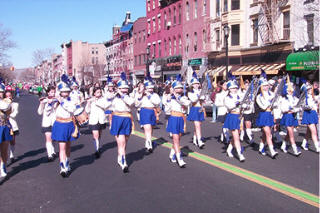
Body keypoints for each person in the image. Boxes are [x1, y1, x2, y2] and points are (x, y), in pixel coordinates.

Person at [51, 75, 80, 177]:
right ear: (60, 92)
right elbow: (48, 110)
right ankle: (62, 167)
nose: (65, 93)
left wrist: (63, 101)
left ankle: (67, 162)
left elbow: (72, 109)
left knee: (68, 146)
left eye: (67, 91)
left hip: (69, 124)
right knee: (62, 147)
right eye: (63, 92)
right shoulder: (56, 102)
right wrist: (51, 101)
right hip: (60, 124)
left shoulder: (71, 101)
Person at [110, 73, 135, 172]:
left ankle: (120, 156)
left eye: (126, 88)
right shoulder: (113, 97)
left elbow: (131, 103)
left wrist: (123, 96)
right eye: (122, 88)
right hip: (117, 119)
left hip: (127, 119)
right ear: (118, 88)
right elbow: (107, 105)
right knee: (121, 142)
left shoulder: (129, 97)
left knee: (125, 142)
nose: (124, 90)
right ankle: (124, 163)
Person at [167, 75, 191, 168]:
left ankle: (172, 153)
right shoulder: (169, 98)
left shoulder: (183, 97)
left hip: (181, 119)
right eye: (177, 88)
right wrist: (169, 100)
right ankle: (179, 158)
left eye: (180, 88)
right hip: (173, 118)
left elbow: (187, 103)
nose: (179, 89)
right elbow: (167, 110)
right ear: (173, 89)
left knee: (178, 139)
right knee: (176, 140)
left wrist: (177, 98)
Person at [135, 74, 161, 153]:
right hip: (144, 111)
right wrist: (140, 95)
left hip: (152, 112)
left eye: (151, 87)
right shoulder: (141, 95)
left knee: (151, 128)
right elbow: (136, 104)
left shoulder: (155, 95)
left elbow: (157, 103)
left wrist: (150, 96)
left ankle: (148, 140)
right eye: (149, 88)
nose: (150, 89)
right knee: (147, 128)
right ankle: (149, 144)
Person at [224, 79, 245, 162]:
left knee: (237, 135)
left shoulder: (240, 96)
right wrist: (237, 103)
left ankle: (229, 149)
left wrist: (245, 106)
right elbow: (229, 106)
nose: (234, 89)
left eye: (235, 88)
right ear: (229, 89)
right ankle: (240, 154)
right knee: (236, 137)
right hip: (232, 116)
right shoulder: (227, 98)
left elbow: (243, 107)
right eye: (232, 88)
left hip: (240, 116)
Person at [256, 78, 278, 158]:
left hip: (270, 114)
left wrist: (274, 102)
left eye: (267, 85)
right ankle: (272, 151)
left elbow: (276, 104)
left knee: (265, 134)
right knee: (268, 133)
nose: (266, 87)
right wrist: (269, 101)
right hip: (264, 115)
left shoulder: (271, 94)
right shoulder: (259, 97)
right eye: (264, 86)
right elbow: (263, 106)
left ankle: (261, 147)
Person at [86, 87, 110, 158]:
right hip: (93, 120)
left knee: (99, 134)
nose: (99, 94)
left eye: (100, 92)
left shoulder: (103, 99)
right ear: (94, 93)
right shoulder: (91, 100)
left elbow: (106, 106)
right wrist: (88, 103)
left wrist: (97, 102)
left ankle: (98, 144)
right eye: (97, 92)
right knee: (95, 134)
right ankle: (97, 150)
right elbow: (87, 111)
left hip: (101, 119)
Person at [279, 82, 301, 156]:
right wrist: (288, 109)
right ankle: (295, 149)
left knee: (289, 133)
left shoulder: (295, 98)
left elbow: (299, 107)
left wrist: (294, 109)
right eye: (289, 90)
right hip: (287, 116)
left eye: (292, 89)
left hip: (293, 116)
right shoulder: (283, 99)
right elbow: (282, 108)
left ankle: (283, 145)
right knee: (291, 133)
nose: (290, 91)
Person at [38, 86, 58, 162]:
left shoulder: (57, 100)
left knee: (54, 138)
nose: (53, 93)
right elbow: (39, 112)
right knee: (48, 138)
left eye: (54, 92)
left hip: (55, 121)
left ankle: (52, 150)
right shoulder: (44, 100)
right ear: (48, 92)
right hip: (46, 122)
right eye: (52, 92)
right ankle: (49, 154)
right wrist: (42, 104)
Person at [187, 72, 205, 149]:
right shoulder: (190, 93)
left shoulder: (201, 91)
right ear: (192, 85)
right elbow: (193, 100)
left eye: (197, 83)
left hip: (200, 108)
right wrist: (199, 96)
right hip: (194, 109)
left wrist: (203, 97)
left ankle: (195, 138)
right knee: (197, 126)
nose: (196, 85)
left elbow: (204, 99)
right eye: (194, 84)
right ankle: (199, 141)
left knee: (198, 125)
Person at [300, 82, 320, 153]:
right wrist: (308, 106)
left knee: (309, 131)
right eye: (308, 89)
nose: (310, 90)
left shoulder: (314, 96)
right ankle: (317, 147)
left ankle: (304, 143)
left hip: (313, 114)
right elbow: (302, 106)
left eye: (310, 89)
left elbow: (317, 100)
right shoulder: (305, 98)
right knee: (314, 131)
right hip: (308, 113)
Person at [0, 82, 12, 178]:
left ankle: (2, 166)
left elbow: (6, 107)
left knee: (4, 149)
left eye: (1, 92)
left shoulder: (6, 101)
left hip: (3, 127)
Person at [5, 89, 19, 164]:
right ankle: (5, 156)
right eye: (6, 96)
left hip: (12, 125)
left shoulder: (15, 104)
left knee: (12, 141)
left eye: (9, 96)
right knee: (4, 142)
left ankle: (12, 155)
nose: (8, 98)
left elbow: (14, 114)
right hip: (3, 125)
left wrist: (8, 107)